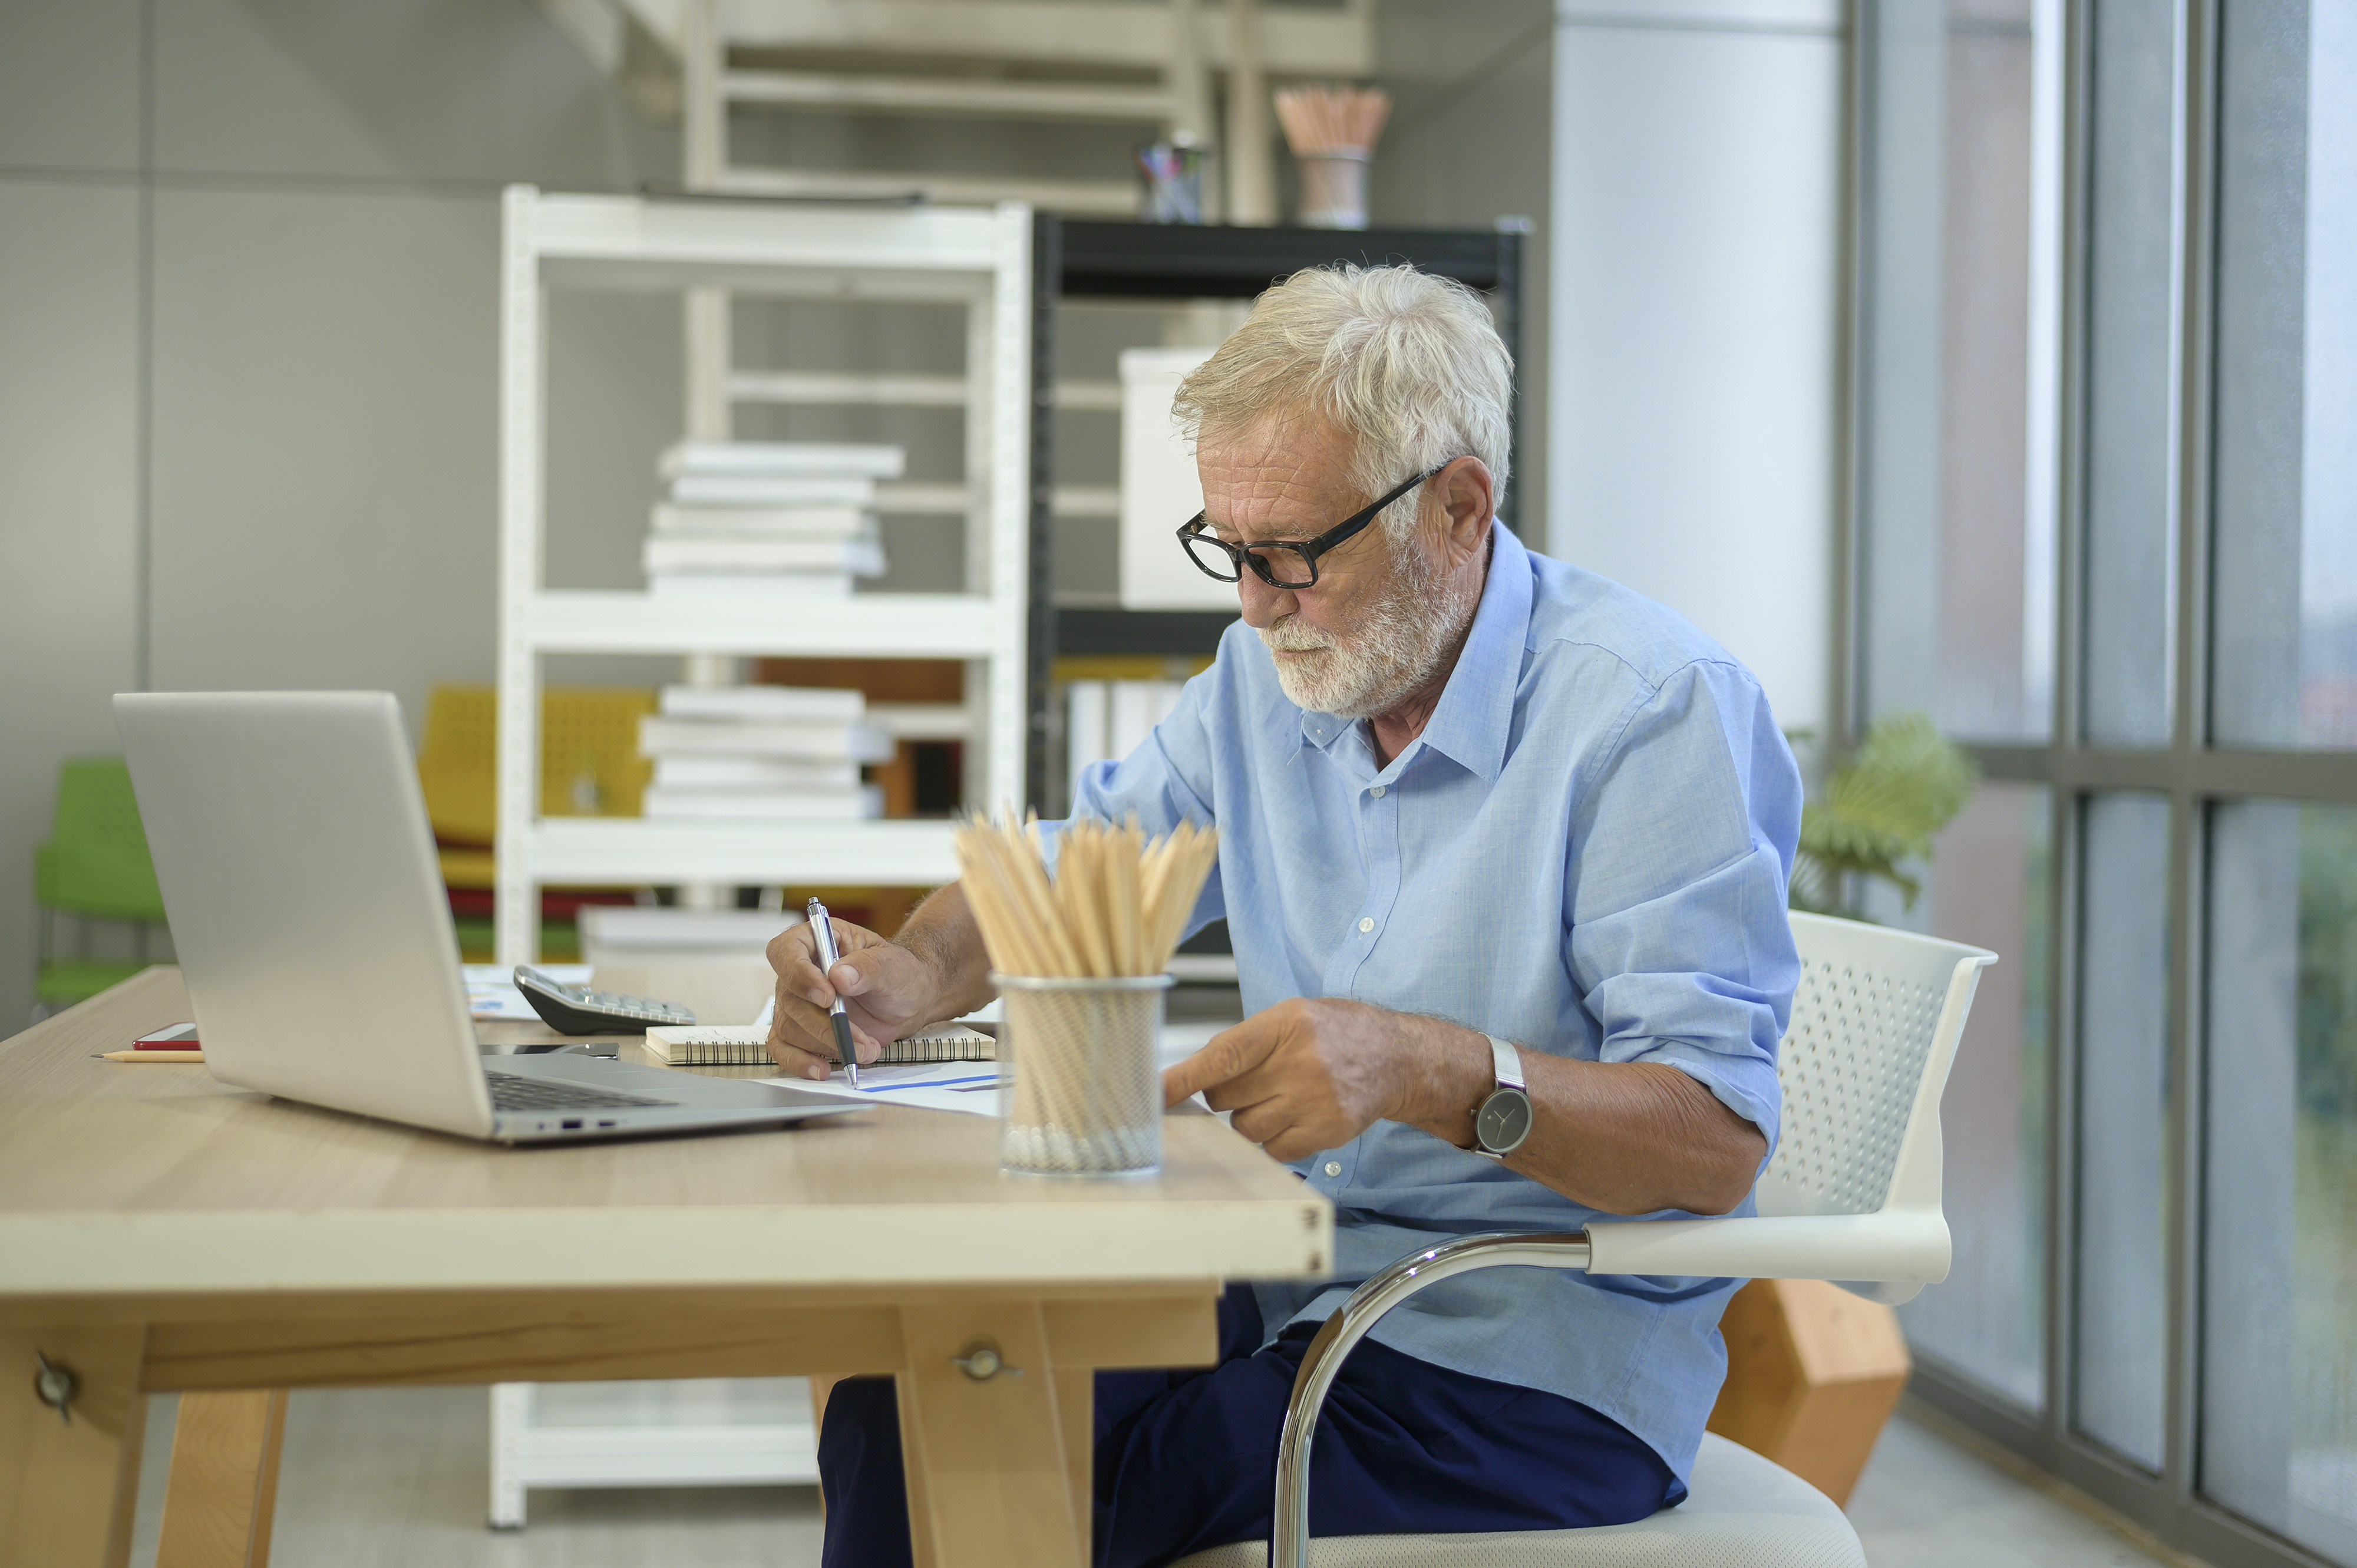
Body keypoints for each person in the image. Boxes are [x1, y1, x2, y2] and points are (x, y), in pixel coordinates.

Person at [765, 263, 1803, 1568]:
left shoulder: (1649, 713)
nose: (1254, 602)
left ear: (1458, 508)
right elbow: (1082, 866)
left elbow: (1711, 1141)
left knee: (1030, 1472)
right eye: (1229, 551)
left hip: (1516, 1348)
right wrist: (911, 970)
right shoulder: (1265, 681)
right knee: (910, 1403)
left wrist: (1423, 1070)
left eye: (1292, 554)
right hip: (1281, 1276)